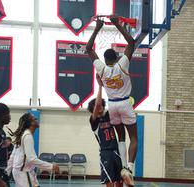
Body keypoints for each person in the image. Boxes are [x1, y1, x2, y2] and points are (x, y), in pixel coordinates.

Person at [86, 17, 137, 186]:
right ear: (116, 57)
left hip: (113, 105)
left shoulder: (101, 68)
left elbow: (88, 49)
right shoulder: (122, 64)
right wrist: (117, 23)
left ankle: (123, 168)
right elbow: (131, 42)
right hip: (124, 103)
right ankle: (128, 167)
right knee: (134, 139)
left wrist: (97, 27)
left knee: (121, 137)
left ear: (105, 59)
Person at [88, 74, 123, 187]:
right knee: (109, 182)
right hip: (106, 153)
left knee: (120, 180)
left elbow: (114, 103)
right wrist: (100, 86)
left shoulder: (109, 115)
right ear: (92, 110)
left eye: (100, 105)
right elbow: (98, 104)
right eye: (95, 106)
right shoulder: (94, 121)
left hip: (116, 150)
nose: (98, 106)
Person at [6, 113, 59, 187]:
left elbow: (13, 156)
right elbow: (32, 159)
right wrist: (51, 166)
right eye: (35, 119)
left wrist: (7, 172)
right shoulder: (27, 136)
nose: (37, 120)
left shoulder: (23, 135)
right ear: (30, 123)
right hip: (23, 173)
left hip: (23, 172)